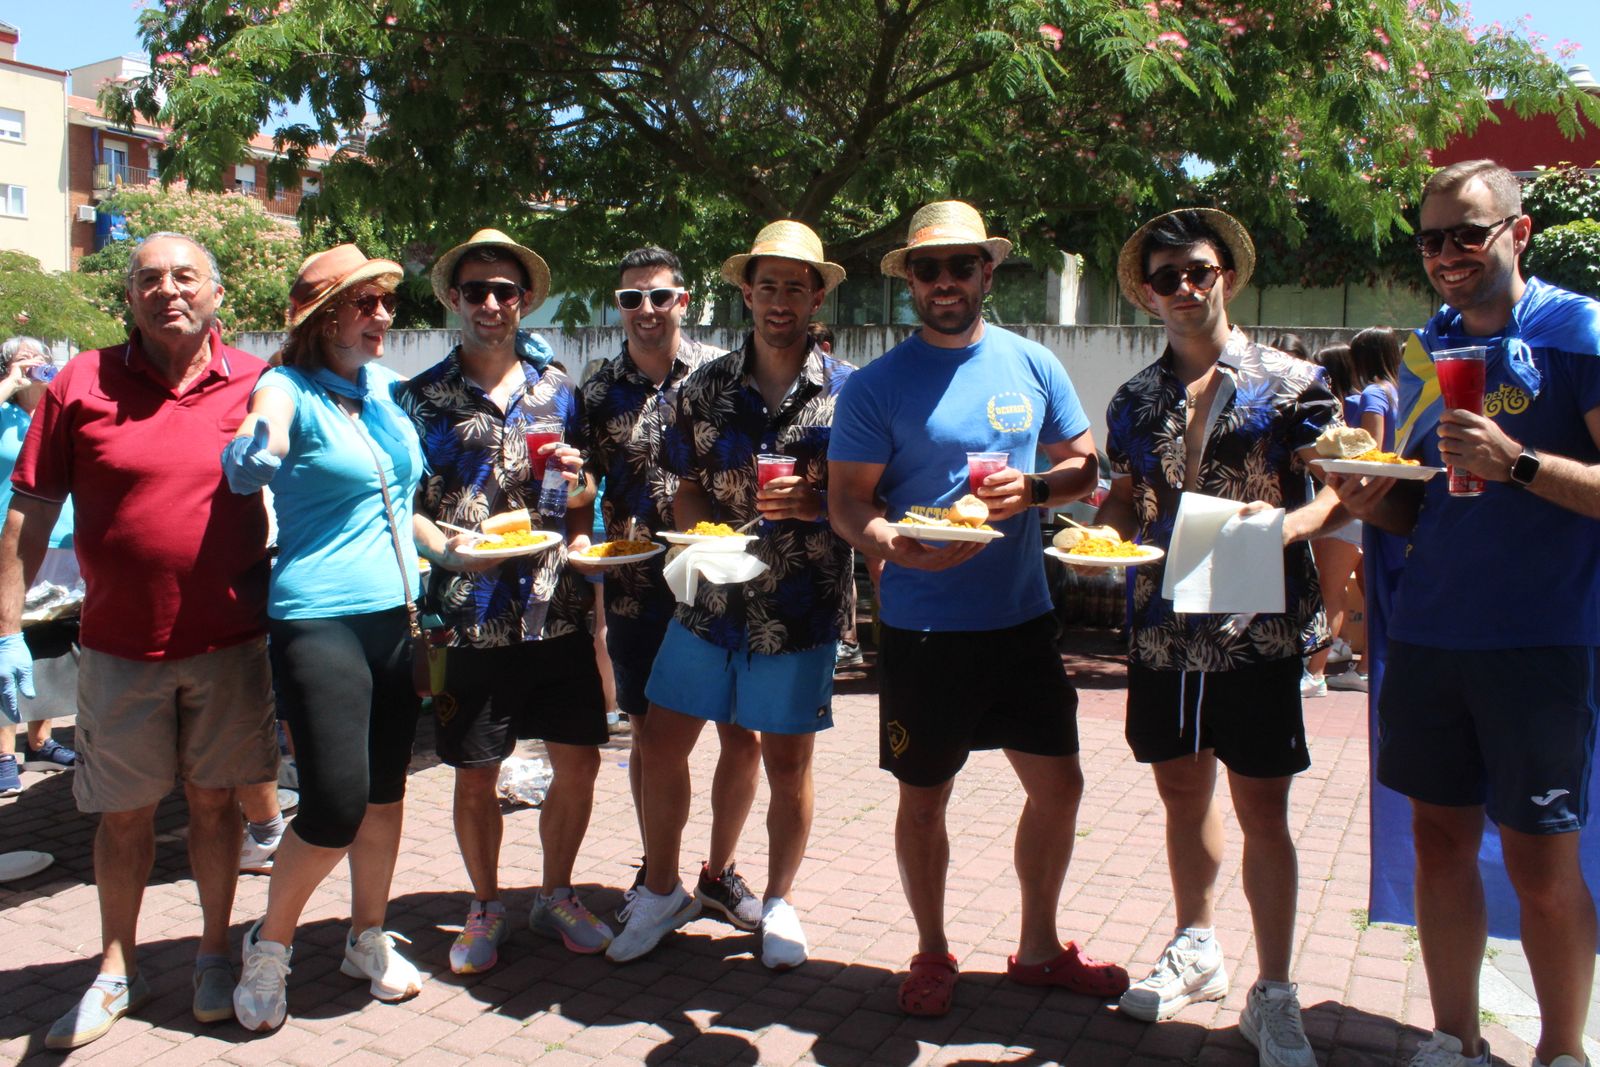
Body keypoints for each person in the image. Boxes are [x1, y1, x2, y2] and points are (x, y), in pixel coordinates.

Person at [1328, 159, 1600, 1067]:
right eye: (1432, 238)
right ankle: (1456, 1040)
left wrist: (1517, 459)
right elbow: (1422, 505)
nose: (1446, 253)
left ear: (1517, 233)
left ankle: (1563, 1050)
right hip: (1432, 634)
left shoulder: (1579, 331)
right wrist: (1371, 501)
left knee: (1539, 858)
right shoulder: (1422, 350)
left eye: (1467, 232)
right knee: (1439, 840)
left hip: (1540, 640)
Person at [829, 200, 1126, 1018]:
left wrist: (1033, 488)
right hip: (924, 627)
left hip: (1023, 618)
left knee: (1059, 787)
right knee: (923, 798)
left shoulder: (1033, 363)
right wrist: (893, 542)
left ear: (988, 271)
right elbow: (849, 505)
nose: (945, 281)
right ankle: (930, 948)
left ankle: (1037, 946)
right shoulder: (878, 385)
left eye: (961, 265)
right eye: (928, 269)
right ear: (909, 282)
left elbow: (1083, 466)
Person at [0, 233, 279, 1049]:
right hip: (119, 648)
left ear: (218, 293)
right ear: (129, 296)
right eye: (149, 278)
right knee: (120, 816)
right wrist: (6, 627)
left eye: (185, 276)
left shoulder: (259, 385)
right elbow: (32, 511)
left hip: (230, 642)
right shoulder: (80, 382)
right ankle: (116, 968)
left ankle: (215, 952)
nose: (168, 291)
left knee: (216, 805)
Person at [1095, 209, 1344, 1067]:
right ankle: (1196, 946)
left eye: (1198, 270)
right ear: (1146, 293)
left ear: (1225, 275)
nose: (1184, 288)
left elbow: (1341, 489)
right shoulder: (1134, 399)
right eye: (1166, 277)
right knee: (1179, 793)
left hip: (1257, 623)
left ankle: (1273, 995)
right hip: (1166, 627)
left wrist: (1287, 526)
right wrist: (1098, 534)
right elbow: (1126, 497)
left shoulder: (1292, 381)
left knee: (1262, 807)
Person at [222, 244, 461, 1031]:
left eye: (387, 301)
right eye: (365, 304)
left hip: (398, 617)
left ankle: (365, 934)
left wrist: (453, 547)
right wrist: (252, 454)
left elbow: (399, 503)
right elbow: (266, 435)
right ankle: (271, 940)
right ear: (324, 318)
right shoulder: (286, 385)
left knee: (388, 790)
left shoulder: (386, 392)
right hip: (317, 616)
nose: (383, 316)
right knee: (334, 800)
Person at [604, 221, 854, 968]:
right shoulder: (704, 388)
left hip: (800, 607)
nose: (781, 300)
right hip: (707, 604)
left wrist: (817, 506)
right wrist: (700, 539)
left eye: (796, 286)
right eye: (767, 284)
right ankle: (659, 888)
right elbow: (682, 488)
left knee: (787, 764)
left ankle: (778, 899)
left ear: (817, 295)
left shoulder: (851, 393)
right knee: (661, 741)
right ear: (747, 292)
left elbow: (866, 496)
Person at [396, 229, 614, 974]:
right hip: (466, 614)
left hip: (554, 607)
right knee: (476, 769)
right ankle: (485, 901)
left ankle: (555, 891)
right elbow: (405, 507)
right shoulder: (418, 399)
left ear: (526, 301)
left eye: (506, 290)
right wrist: (445, 549)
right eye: (476, 289)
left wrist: (582, 490)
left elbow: (580, 499)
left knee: (579, 760)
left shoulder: (559, 388)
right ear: (454, 298)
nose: (491, 302)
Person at [575, 246, 764, 931]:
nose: (646, 311)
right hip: (638, 592)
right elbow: (581, 485)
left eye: (659, 297)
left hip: (723, 581)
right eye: (631, 299)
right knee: (652, 738)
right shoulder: (596, 393)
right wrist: (576, 531)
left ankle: (720, 873)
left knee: (742, 735)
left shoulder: (724, 376)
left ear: (683, 300)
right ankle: (660, 877)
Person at [0, 336, 77, 794]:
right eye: (24, 359)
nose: (36, 367)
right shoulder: (5, 410)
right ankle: (4, 754)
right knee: (9, 639)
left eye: (42, 360)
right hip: (12, 544)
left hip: (66, 540)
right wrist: (10, 383)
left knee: (53, 640)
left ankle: (41, 738)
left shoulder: (56, 409)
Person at [1302, 343, 1361, 698]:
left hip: (1339, 506)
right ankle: (1324, 660)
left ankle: (1316, 672)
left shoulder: (1346, 406)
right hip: (1354, 507)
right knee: (1335, 589)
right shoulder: (1369, 397)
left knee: (1328, 590)